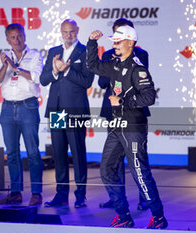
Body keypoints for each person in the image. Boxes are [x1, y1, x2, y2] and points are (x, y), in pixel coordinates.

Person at [86, 26, 168, 229]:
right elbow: (93, 66)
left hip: (133, 126)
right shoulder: (114, 64)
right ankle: (123, 214)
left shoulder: (138, 68)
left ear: (130, 43)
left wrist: (122, 100)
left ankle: (158, 217)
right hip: (117, 125)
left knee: (139, 172)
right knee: (106, 169)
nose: (114, 45)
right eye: (113, 41)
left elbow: (149, 96)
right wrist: (91, 42)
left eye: (118, 41)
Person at [40, 19, 94, 208]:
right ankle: (61, 195)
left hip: (75, 110)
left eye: (71, 32)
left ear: (77, 30)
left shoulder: (86, 52)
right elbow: (43, 79)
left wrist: (68, 70)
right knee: (59, 154)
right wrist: (55, 71)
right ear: (60, 32)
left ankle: (80, 195)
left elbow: (87, 81)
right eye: (65, 32)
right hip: (56, 110)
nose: (68, 35)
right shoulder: (54, 51)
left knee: (78, 153)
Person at [98, 18, 149, 211]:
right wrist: (113, 66)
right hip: (113, 112)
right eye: (116, 33)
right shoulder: (108, 55)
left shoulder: (141, 55)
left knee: (138, 157)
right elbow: (102, 83)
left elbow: (141, 84)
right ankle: (116, 197)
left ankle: (145, 197)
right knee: (114, 159)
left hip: (134, 113)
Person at [0, 23, 44, 206]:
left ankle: (37, 193)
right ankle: (15, 192)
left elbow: (37, 77)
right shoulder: (3, 57)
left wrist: (15, 68)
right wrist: (6, 65)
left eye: (20, 36)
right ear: (8, 39)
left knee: (32, 152)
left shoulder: (35, 55)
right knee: (12, 153)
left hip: (28, 106)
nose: (17, 40)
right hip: (7, 108)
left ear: (25, 36)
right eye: (13, 37)